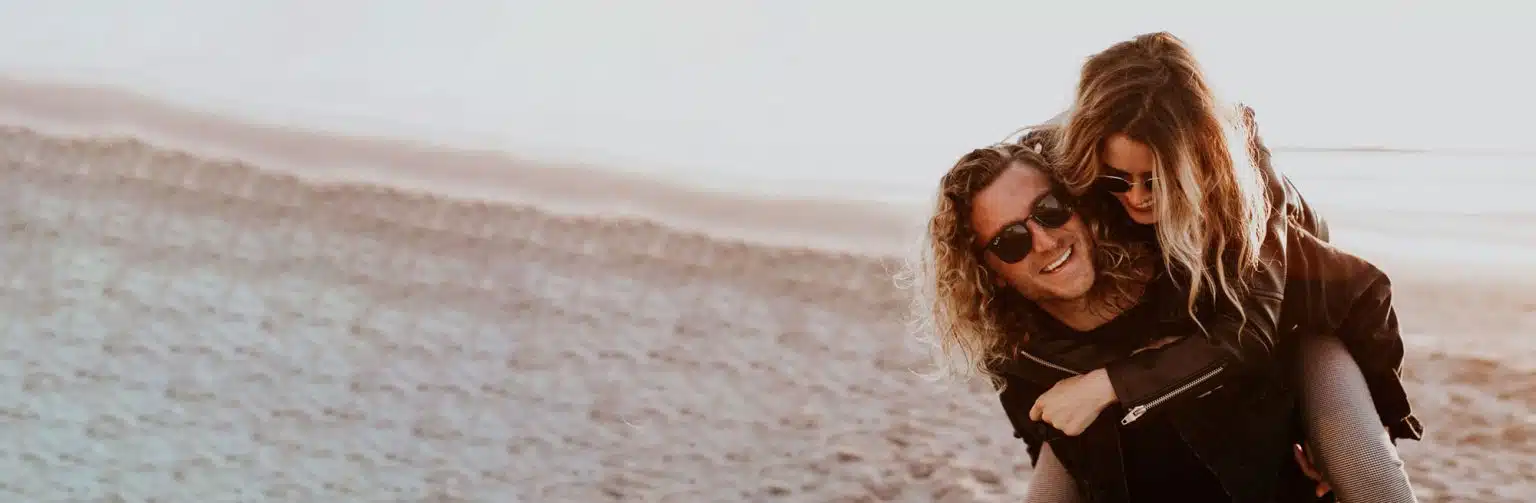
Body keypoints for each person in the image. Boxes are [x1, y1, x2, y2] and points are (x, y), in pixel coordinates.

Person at [907, 133, 1414, 502]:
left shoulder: (1180, 255)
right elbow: (1046, 445)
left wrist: (1362, 429)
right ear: (990, 271)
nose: (1046, 241)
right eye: (1011, 241)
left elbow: (1343, 290)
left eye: (1050, 211)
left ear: (1078, 204)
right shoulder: (1019, 356)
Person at [1037, 31, 1420, 502]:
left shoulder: (1245, 176)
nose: (1135, 197)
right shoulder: (1070, 155)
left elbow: (1250, 330)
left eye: (1157, 180)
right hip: (1186, 321)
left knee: (1369, 477)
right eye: (1118, 178)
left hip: (1295, 321)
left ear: (1198, 159)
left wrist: (1110, 383)